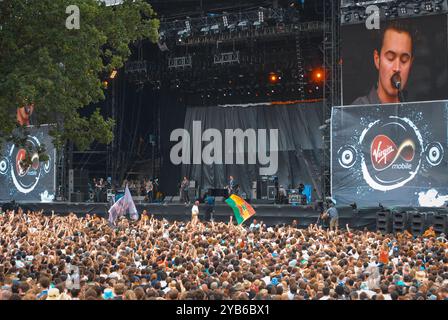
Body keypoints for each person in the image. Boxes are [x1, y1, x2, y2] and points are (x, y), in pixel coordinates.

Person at [352, 21, 414, 105]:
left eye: (404, 60)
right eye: (390, 58)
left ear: (410, 63)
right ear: (377, 59)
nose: (397, 68)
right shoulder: (358, 110)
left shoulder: (415, 109)